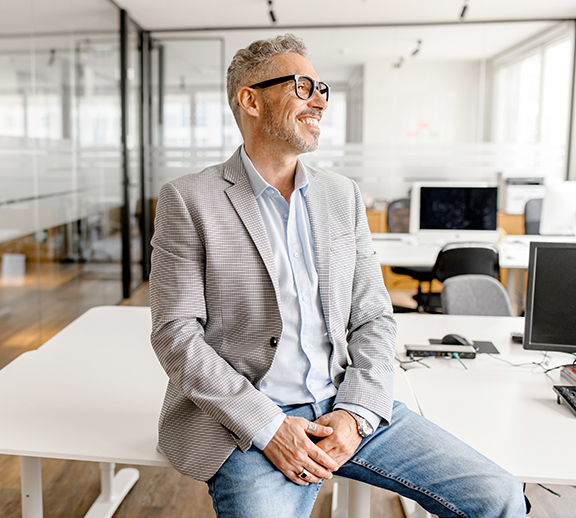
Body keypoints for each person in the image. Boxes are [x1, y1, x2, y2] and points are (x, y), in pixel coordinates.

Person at [149, 34, 526, 518]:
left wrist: (356, 413)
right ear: (251, 100)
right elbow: (176, 335)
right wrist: (268, 426)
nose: (320, 100)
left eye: (322, 88)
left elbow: (373, 317)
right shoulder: (189, 199)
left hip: (348, 401)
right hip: (249, 421)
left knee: (499, 497)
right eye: (303, 86)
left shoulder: (342, 195)